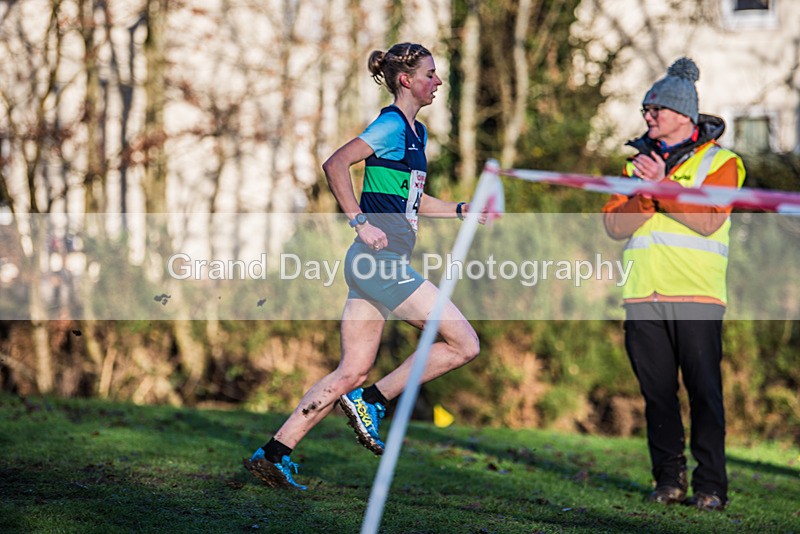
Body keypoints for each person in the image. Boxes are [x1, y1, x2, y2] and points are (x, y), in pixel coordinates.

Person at [244, 43, 484, 490]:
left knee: (351, 370)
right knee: (464, 343)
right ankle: (372, 400)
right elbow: (336, 163)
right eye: (430, 74)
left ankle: (273, 454)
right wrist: (358, 221)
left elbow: (412, 201)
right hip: (380, 263)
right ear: (406, 80)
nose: (438, 81)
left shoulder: (416, 134)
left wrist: (459, 209)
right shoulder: (391, 124)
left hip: (373, 265)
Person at [602, 57, 745, 511]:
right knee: (657, 396)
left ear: (682, 114)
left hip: (697, 295)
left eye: (655, 109)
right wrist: (648, 194)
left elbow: (708, 220)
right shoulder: (635, 166)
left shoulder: (722, 163)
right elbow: (613, 225)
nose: (647, 116)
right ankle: (669, 481)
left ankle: (712, 485)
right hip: (642, 295)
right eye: (645, 109)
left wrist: (662, 188)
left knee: (705, 394)